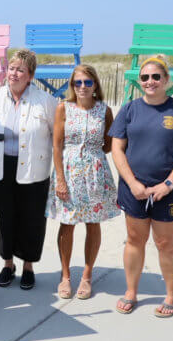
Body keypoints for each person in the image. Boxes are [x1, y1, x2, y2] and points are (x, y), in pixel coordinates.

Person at [109, 56, 173, 317]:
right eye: (145, 78)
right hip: (134, 188)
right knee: (134, 239)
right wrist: (132, 183)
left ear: (166, 80)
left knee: (165, 243)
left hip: (168, 191)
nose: (150, 82)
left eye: (155, 77)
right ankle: (131, 291)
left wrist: (169, 184)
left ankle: (171, 295)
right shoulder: (129, 110)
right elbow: (117, 148)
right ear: (139, 82)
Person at [0, 49, 58, 290]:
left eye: (20, 70)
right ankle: (8, 264)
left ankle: (28, 266)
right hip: (0, 167)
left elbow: (58, 138)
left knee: (32, 218)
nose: (14, 74)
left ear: (30, 75)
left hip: (34, 168)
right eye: (11, 68)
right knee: (5, 217)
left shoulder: (45, 101)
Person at [46, 65, 120, 300]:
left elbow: (110, 144)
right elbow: (57, 145)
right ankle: (65, 276)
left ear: (95, 85)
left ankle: (87, 276)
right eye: (78, 83)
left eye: (87, 82)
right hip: (68, 170)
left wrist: (92, 159)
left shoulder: (104, 110)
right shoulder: (63, 108)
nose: (82, 87)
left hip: (95, 172)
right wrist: (60, 178)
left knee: (92, 223)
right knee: (67, 223)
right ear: (72, 86)